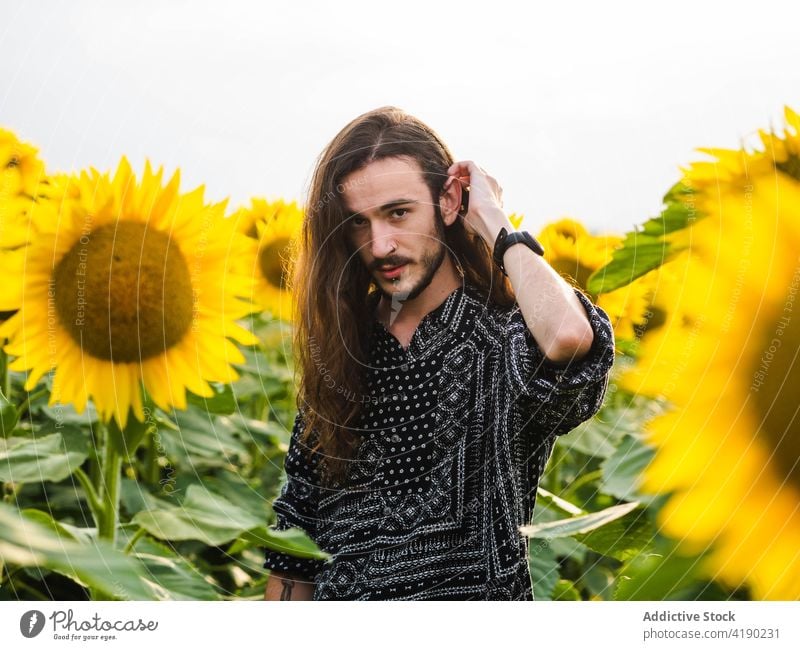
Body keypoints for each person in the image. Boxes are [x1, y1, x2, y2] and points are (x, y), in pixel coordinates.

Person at [263, 106, 616, 600]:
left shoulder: (499, 341)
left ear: (447, 202)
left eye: (398, 213)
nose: (381, 244)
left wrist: (494, 220)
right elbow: (295, 544)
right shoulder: (345, 354)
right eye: (359, 223)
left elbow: (569, 339)